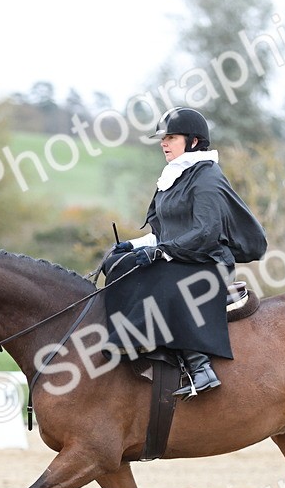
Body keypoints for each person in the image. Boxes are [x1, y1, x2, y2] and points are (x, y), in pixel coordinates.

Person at [105, 107, 267, 398]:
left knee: (163, 281)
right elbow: (165, 232)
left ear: (193, 141)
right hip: (181, 256)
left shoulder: (207, 178)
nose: (163, 143)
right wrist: (134, 245)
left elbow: (205, 232)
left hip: (209, 263)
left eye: (171, 138)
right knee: (118, 264)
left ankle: (199, 366)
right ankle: (134, 340)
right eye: (163, 138)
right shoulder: (175, 176)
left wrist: (161, 253)